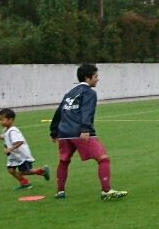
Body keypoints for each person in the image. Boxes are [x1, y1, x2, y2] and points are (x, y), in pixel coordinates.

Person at [49, 63, 127, 200]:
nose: (98, 79)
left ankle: (60, 191)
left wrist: (54, 131)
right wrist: (85, 129)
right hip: (80, 132)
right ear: (87, 78)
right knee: (103, 159)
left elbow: (59, 112)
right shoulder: (89, 92)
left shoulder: (70, 93)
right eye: (96, 76)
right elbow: (87, 111)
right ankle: (106, 191)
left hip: (64, 134)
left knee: (64, 161)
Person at [0, 108, 48, 190]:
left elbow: (20, 142)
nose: (0, 122)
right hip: (13, 156)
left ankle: (41, 171)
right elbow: (2, 137)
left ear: (10, 120)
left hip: (21, 155)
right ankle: (25, 183)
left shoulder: (13, 131)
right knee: (11, 170)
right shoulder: (6, 130)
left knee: (25, 171)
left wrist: (10, 149)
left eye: (2, 120)